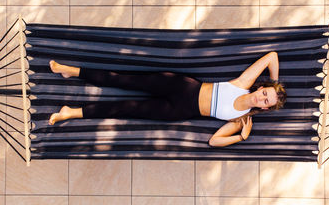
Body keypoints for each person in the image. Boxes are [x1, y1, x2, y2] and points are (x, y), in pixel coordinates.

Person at [48, 51, 286, 147]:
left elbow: (213, 141)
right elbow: (272, 57)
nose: (262, 98)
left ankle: (71, 112)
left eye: (267, 102)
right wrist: (275, 83)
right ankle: (70, 70)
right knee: (123, 80)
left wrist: (240, 138)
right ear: (262, 87)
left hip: (177, 110)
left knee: (124, 108)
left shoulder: (240, 120)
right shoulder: (243, 84)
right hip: (182, 86)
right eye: (265, 93)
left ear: (266, 109)